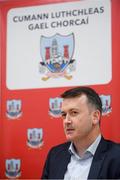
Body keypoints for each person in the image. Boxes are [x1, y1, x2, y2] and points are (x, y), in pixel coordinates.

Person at [41, 86, 120, 179]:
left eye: (74, 113)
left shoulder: (117, 156)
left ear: (95, 117)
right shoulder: (54, 155)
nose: (66, 121)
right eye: (64, 115)